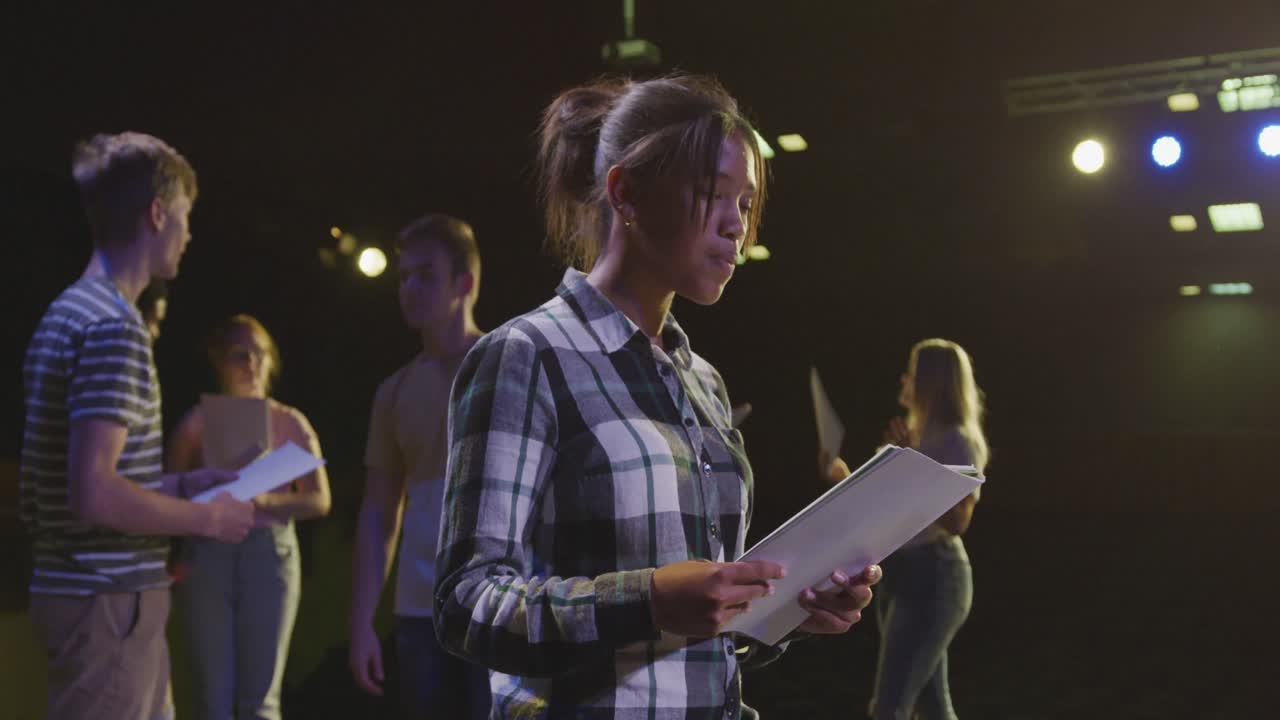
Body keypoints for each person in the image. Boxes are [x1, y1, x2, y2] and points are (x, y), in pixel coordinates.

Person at [434, 75, 881, 719]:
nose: (737, 226)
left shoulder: (703, 381)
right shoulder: (526, 357)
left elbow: (699, 631)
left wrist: (782, 610)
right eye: (712, 194)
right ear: (628, 194)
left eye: (748, 203)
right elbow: (466, 604)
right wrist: (645, 600)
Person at [20, 131, 255, 720]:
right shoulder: (114, 327)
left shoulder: (69, 311)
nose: (189, 233)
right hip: (107, 602)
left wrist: (178, 488)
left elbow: (92, 477)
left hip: (88, 597)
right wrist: (208, 517)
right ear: (157, 214)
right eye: (185, 216)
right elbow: (94, 492)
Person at [348, 214, 490, 718]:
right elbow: (379, 512)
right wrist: (362, 620)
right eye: (403, 275)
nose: (409, 287)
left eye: (425, 274)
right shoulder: (394, 391)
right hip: (419, 608)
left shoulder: (505, 365)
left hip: (496, 600)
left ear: (465, 283)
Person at [167, 314, 332, 720]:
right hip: (209, 552)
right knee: (213, 700)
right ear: (219, 361)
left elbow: (319, 499)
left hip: (269, 552)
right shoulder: (196, 422)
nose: (251, 365)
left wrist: (264, 502)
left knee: (261, 701)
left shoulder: (289, 421)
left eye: (260, 355)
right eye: (239, 355)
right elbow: (167, 489)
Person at [824, 339, 989, 720]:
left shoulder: (958, 440)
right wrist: (838, 472)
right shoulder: (911, 436)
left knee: (889, 706)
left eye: (912, 373)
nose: (904, 380)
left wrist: (913, 461)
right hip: (901, 573)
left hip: (936, 576)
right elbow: (881, 511)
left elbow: (957, 523)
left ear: (931, 382)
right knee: (930, 705)